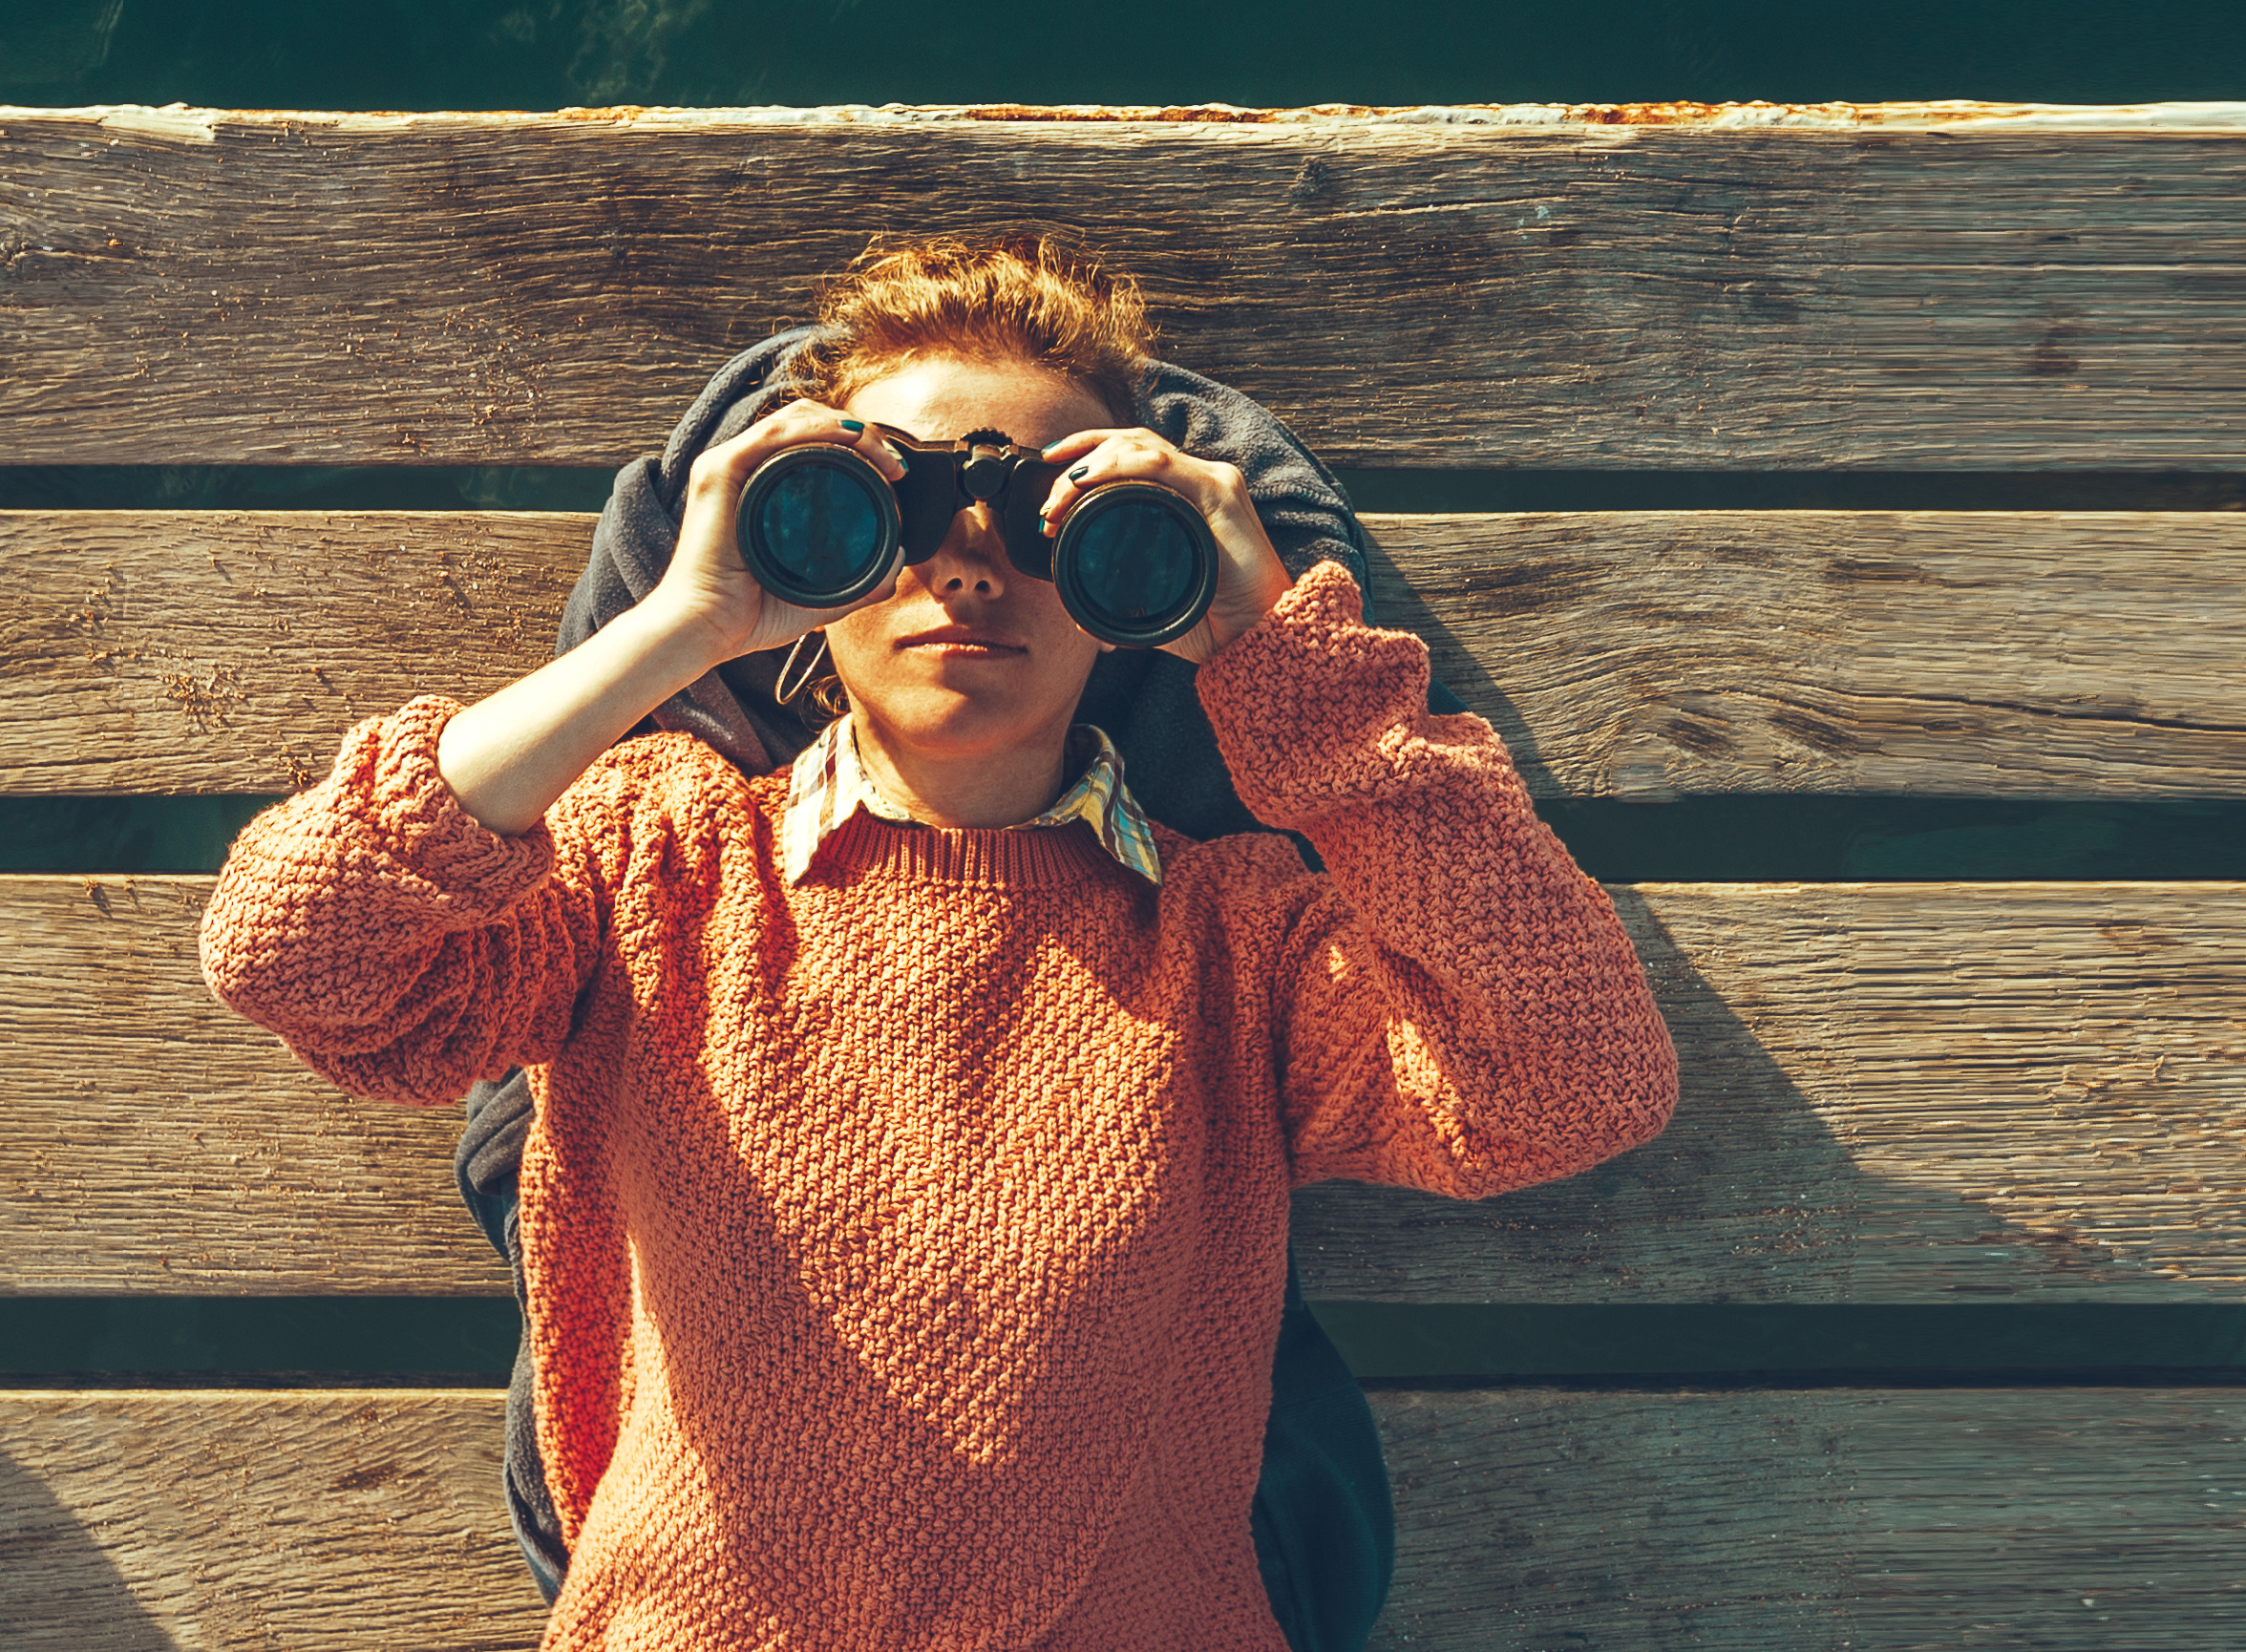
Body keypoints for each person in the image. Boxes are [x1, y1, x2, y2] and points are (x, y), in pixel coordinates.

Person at [198, 230, 1680, 1652]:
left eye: (1053, 524)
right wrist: (676, 625)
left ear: (1133, 596)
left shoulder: (1236, 944)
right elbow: (290, 946)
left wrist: (1278, 649)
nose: (967, 566)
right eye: (878, 515)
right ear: (794, 557)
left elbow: (1572, 1081)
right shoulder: (652, 860)